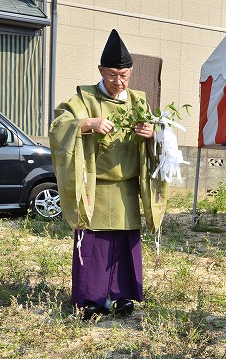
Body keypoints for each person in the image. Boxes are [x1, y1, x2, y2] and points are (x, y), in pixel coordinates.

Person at [49, 29, 166, 320]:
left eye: (124, 75)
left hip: (126, 188)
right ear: (101, 70)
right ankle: (90, 300)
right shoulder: (84, 98)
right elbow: (58, 126)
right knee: (94, 248)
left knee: (125, 246)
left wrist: (152, 133)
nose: (119, 82)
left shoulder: (139, 103)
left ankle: (122, 297)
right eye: (113, 74)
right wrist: (87, 123)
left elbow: (162, 134)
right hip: (95, 187)